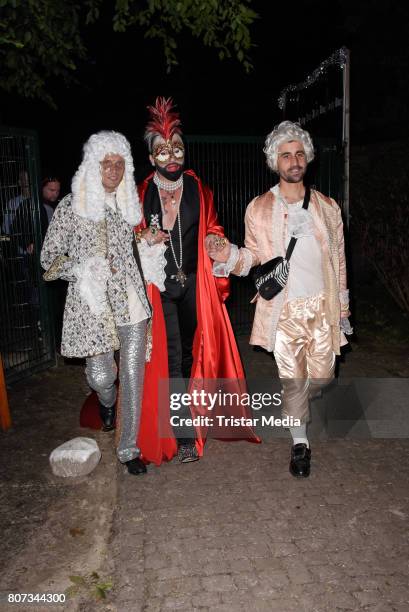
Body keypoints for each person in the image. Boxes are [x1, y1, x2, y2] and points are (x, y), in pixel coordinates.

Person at [208, 121, 352, 478]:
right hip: (283, 311)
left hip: (321, 307)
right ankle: (300, 443)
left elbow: (339, 259)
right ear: (275, 161)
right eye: (286, 155)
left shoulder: (327, 207)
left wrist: (343, 307)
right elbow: (252, 258)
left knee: (321, 377)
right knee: (292, 380)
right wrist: (228, 255)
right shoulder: (258, 208)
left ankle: (304, 399)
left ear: (308, 158)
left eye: (299, 153)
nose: (294, 160)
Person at [138, 97, 258, 462]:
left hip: (194, 283)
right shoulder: (140, 194)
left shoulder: (197, 188)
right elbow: (130, 236)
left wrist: (214, 240)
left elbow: (213, 226)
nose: (172, 155)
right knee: (170, 357)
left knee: (195, 355)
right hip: (160, 288)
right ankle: (182, 434)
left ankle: (196, 419)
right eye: (162, 150)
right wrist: (142, 239)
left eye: (177, 148)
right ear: (150, 157)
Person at [41, 131, 163, 475]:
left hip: (131, 303)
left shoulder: (129, 205)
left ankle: (129, 448)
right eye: (106, 163)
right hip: (94, 306)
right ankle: (106, 402)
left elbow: (130, 247)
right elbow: (48, 258)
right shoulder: (71, 205)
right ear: (93, 165)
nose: (113, 170)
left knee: (134, 374)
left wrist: (147, 241)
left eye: (119, 163)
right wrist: (81, 268)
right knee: (101, 376)